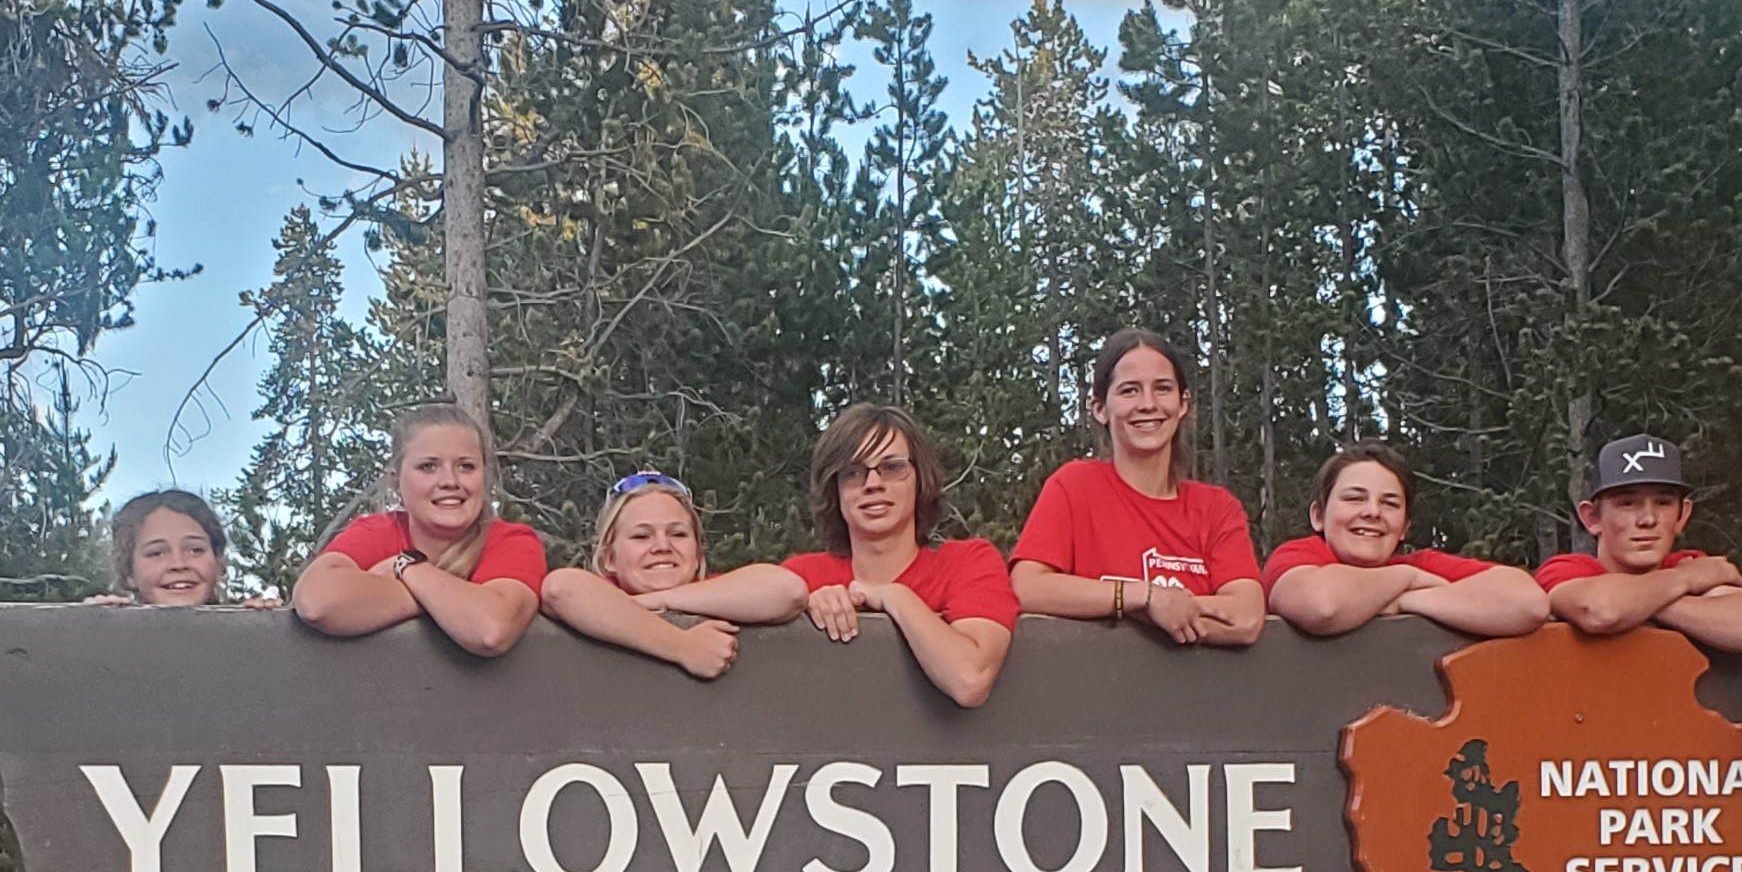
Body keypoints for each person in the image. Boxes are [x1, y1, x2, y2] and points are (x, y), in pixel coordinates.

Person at [640, 408, 1022, 706]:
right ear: (834, 490)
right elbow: (694, 600)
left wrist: (893, 596)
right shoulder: (803, 576)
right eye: (853, 472)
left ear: (920, 479)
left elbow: (969, 680)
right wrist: (801, 607)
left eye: (891, 468)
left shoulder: (968, 562)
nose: (873, 484)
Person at [1008, 329, 1266, 643]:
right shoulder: (1074, 487)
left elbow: (1245, 617)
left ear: (1183, 403)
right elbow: (1027, 587)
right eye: (1129, 391)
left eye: (1163, 388)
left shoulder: (1216, 509)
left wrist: (1166, 613)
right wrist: (1141, 598)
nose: (1148, 404)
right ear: (1100, 408)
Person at [287, 400, 550, 655]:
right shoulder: (377, 531)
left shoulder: (512, 541)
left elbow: (490, 630)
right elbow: (317, 602)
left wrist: (404, 568)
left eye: (466, 466)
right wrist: (449, 603)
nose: (450, 481)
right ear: (396, 480)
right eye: (428, 467)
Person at [1264, 443, 1553, 642]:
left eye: (1390, 504)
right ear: (1318, 515)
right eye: (1354, 498)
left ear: (1404, 527)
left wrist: (1403, 601)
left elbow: (1529, 603)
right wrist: (1409, 579)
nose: (1373, 512)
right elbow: (1322, 605)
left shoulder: (1421, 565)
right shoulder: (1298, 556)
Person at [1534, 434, 1742, 651]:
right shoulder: (1567, 570)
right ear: (1592, 518)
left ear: (1682, 515)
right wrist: (1686, 580)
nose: (1648, 519)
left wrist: (1636, 604)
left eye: (1663, 503)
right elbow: (1602, 611)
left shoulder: (1689, 561)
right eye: (1627, 504)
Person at [537, 470, 741, 680]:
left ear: (697, 553)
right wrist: (682, 646)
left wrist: (656, 601)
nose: (663, 546)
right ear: (609, 558)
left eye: (678, 534)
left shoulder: (718, 593)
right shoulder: (597, 594)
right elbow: (560, 588)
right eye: (642, 536)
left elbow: (767, 587)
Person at [107, 487, 234, 607]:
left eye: (195, 550)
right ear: (129, 572)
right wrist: (98, 617)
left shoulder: (243, 621)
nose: (178, 564)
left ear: (218, 563)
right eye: (157, 553)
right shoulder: (107, 621)